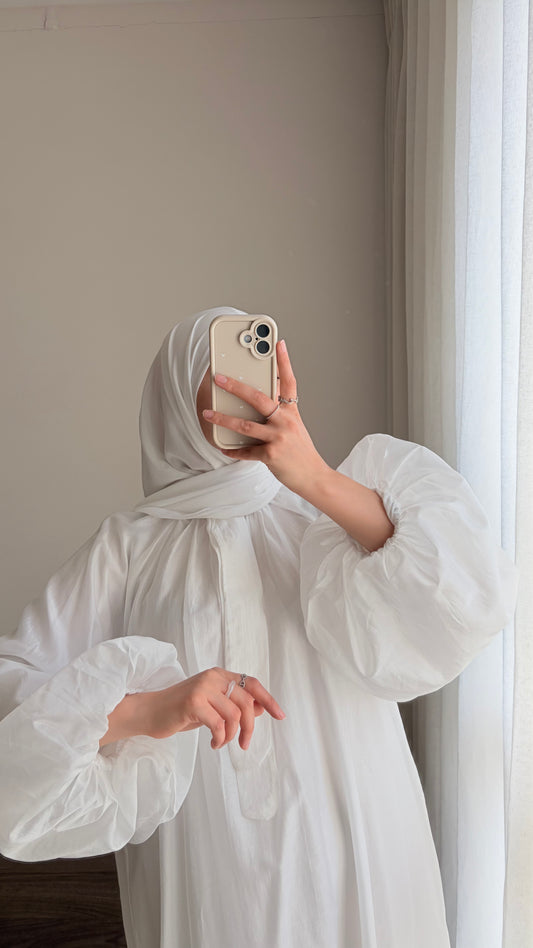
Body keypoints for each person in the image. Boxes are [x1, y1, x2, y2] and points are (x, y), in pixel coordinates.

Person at [0, 306, 519, 948]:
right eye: (221, 366)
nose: (243, 385)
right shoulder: (129, 548)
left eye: (256, 364)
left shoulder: (326, 514)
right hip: (207, 862)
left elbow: (466, 598)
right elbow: (16, 713)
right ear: (176, 394)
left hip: (359, 835)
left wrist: (312, 475)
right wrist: (152, 709)